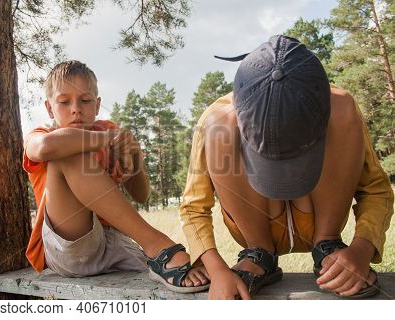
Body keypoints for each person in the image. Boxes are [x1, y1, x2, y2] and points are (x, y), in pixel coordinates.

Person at [179, 35, 393, 300]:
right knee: (218, 125)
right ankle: (260, 255)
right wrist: (216, 267)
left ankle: (327, 245)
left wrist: (361, 249)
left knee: (342, 106)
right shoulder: (221, 114)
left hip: (320, 218)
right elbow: (193, 207)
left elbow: (376, 189)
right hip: (258, 224)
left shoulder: (335, 104)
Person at [23, 60, 210, 293]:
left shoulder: (109, 130)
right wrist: (108, 139)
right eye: (64, 101)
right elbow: (42, 148)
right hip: (71, 246)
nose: (76, 108)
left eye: (85, 100)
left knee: (178, 285)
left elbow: (141, 195)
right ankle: (158, 245)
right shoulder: (43, 134)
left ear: (97, 104)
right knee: (69, 149)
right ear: (50, 108)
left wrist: (134, 155)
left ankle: (158, 255)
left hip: (115, 243)